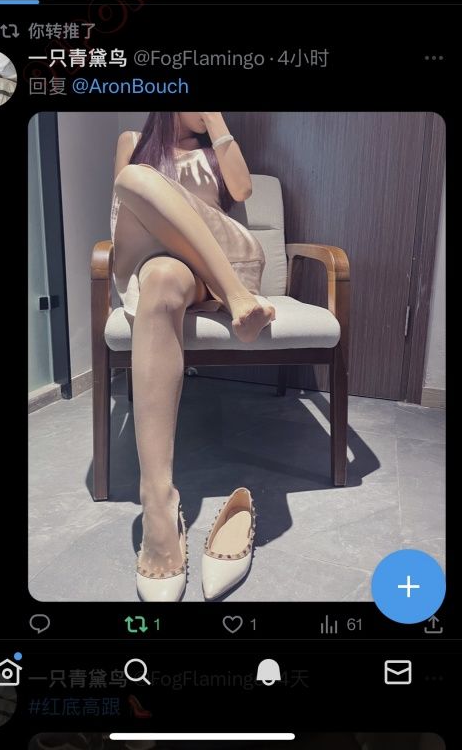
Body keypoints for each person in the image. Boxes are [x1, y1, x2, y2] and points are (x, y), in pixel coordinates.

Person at [110, 112, 276, 602]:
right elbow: (120, 214)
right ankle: (158, 502)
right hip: (153, 260)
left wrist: (217, 123)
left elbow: (242, 190)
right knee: (136, 190)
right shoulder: (133, 141)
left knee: (137, 182)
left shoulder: (216, 147)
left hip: (223, 260)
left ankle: (234, 292)